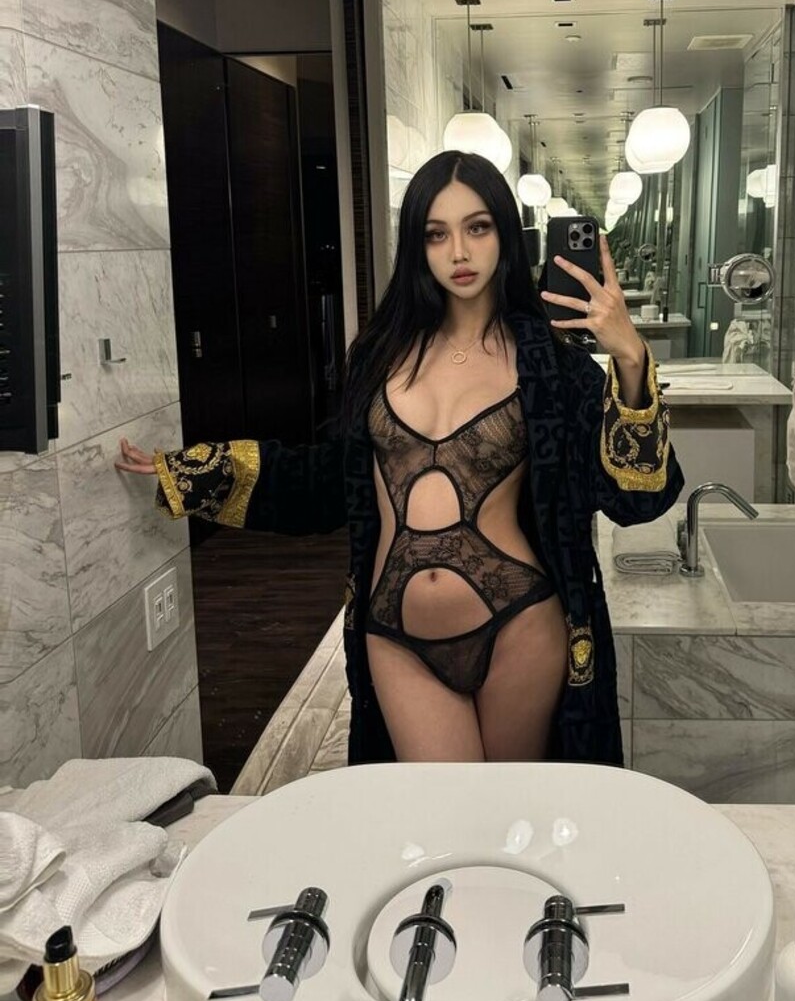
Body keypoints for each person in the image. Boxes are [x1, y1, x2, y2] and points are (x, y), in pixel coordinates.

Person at [116, 151, 682, 767]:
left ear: (504, 234)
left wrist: (629, 357)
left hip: (521, 621)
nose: (459, 252)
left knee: (507, 812)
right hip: (393, 630)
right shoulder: (379, 355)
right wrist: (194, 474)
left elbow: (636, 499)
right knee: (440, 810)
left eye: (477, 227)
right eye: (436, 234)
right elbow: (328, 481)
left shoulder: (551, 364)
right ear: (416, 245)